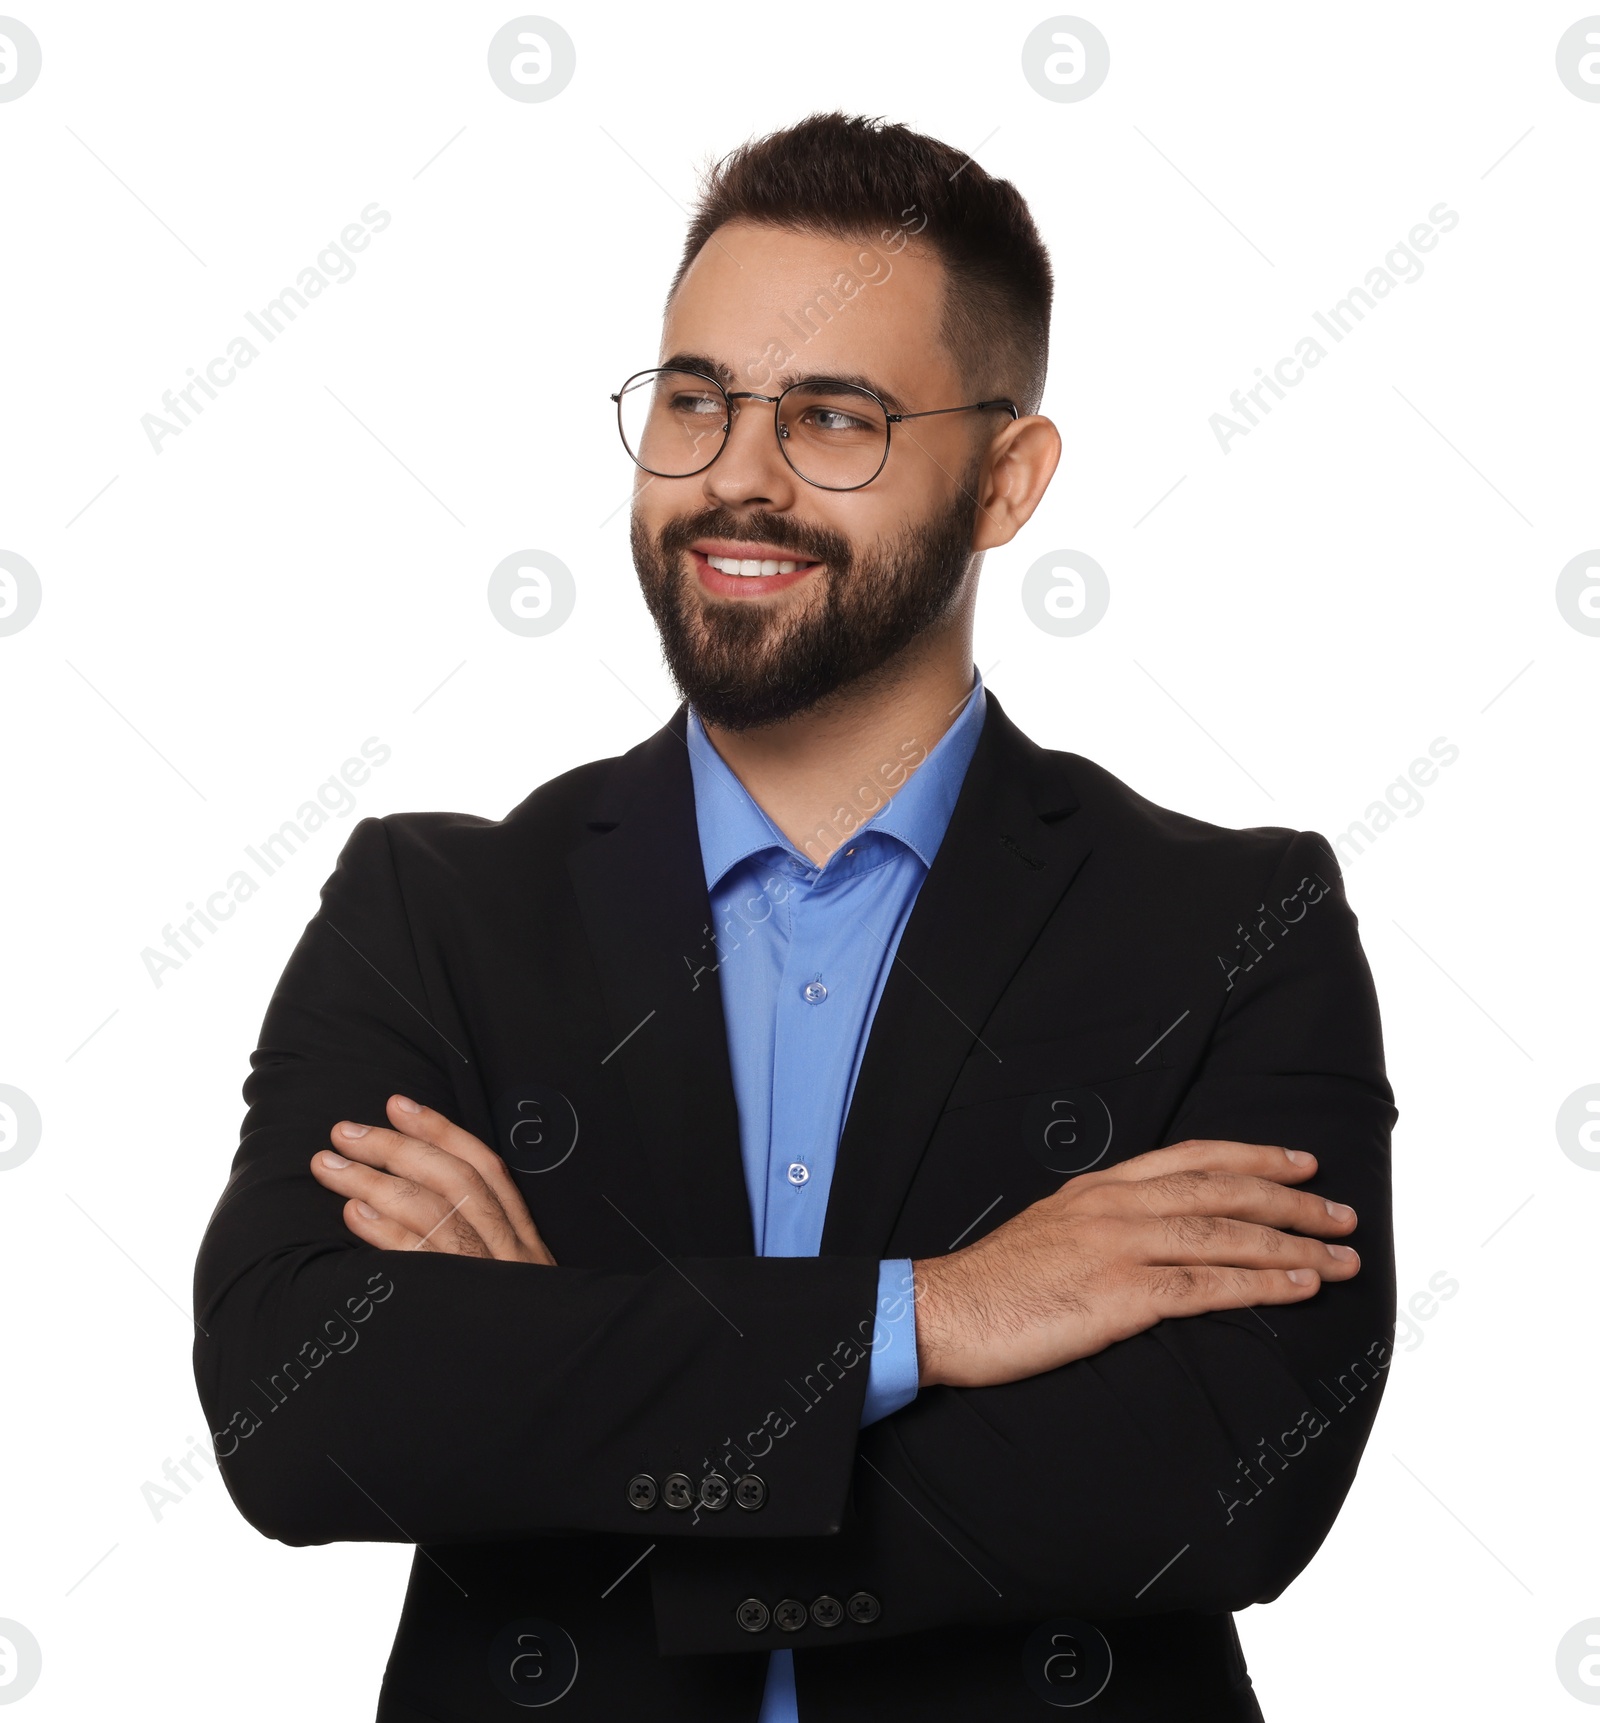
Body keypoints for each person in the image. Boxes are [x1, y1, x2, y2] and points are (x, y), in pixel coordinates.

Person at [193, 113, 1395, 1722]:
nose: (737, 477)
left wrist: (557, 1381)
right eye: (695, 401)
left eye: (833, 418)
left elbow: (1226, 1481)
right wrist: (942, 1314)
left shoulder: (1233, 922)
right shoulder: (434, 911)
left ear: (1006, 480)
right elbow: (296, 1412)